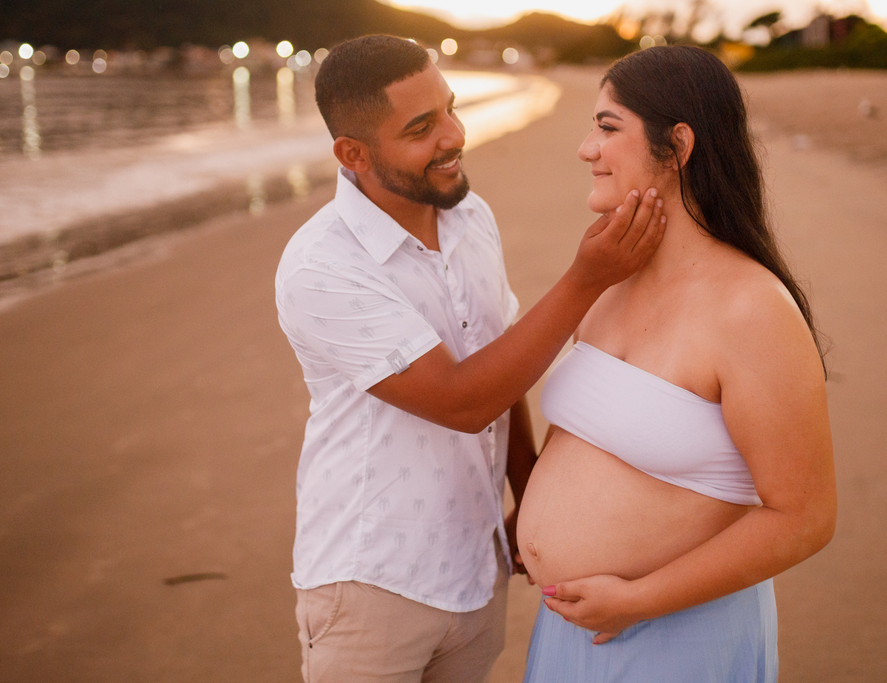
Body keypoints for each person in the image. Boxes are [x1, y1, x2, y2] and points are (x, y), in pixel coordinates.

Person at [274, 34, 665, 683]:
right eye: (423, 127)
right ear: (353, 154)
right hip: (372, 583)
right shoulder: (321, 266)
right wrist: (587, 278)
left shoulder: (470, 216)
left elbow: (499, 358)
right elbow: (462, 400)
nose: (455, 136)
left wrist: (528, 495)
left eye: (451, 109)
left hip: (477, 567)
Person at [516, 45, 837, 682]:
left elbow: (805, 517)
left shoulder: (751, 309)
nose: (586, 148)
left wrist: (638, 599)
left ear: (678, 145)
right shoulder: (609, 278)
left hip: (678, 635)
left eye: (608, 127)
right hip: (568, 631)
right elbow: (586, 430)